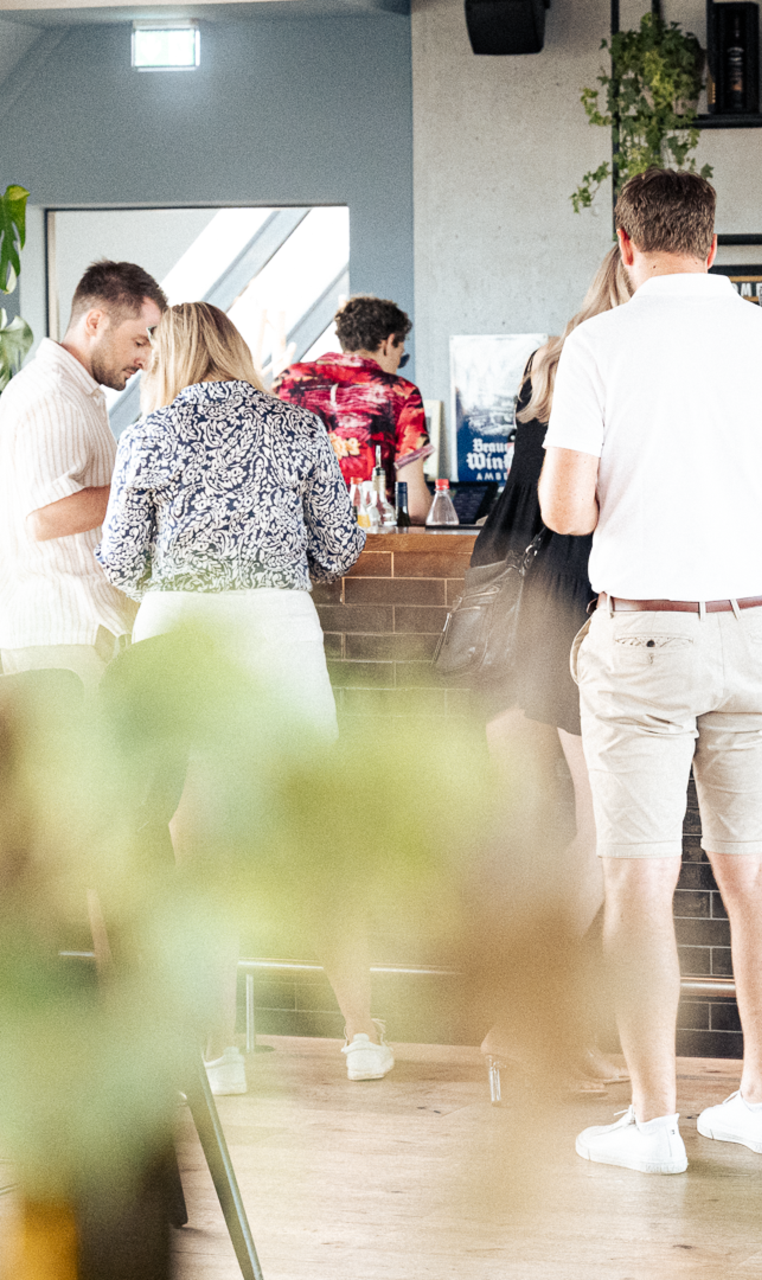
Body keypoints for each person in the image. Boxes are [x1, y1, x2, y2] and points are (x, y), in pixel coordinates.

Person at [540, 168, 762, 1175]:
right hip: (758, 634)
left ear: (627, 246)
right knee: (755, 868)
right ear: (712, 245)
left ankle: (653, 1120)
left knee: (640, 879)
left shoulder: (599, 343)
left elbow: (566, 511)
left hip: (647, 639)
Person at [94, 302, 384, 1093]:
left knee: (199, 852)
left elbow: (119, 560)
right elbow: (339, 545)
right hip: (277, 632)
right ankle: (360, 1035)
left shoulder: (148, 436)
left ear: (173, 357)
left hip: (179, 634)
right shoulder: (295, 427)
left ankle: (217, 1053)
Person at [468, 248, 631, 1093]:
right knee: (606, 832)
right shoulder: (620, 367)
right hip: (588, 606)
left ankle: (563, 1032)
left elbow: (513, 508)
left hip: (543, 610)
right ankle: (524, 1024)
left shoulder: (554, 364)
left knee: (587, 828)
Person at [0, 260, 166, 690]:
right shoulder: (53, 395)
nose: (145, 359)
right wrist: (146, 490)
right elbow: (46, 517)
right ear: (95, 322)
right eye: (138, 340)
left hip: (77, 636)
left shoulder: (74, 393)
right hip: (64, 639)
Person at [275, 296, 431, 522]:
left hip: (293, 537)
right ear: (388, 342)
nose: (398, 366)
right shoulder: (401, 394)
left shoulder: (288, 382)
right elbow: (414, 507)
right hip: (367, 541)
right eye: (401, 358)